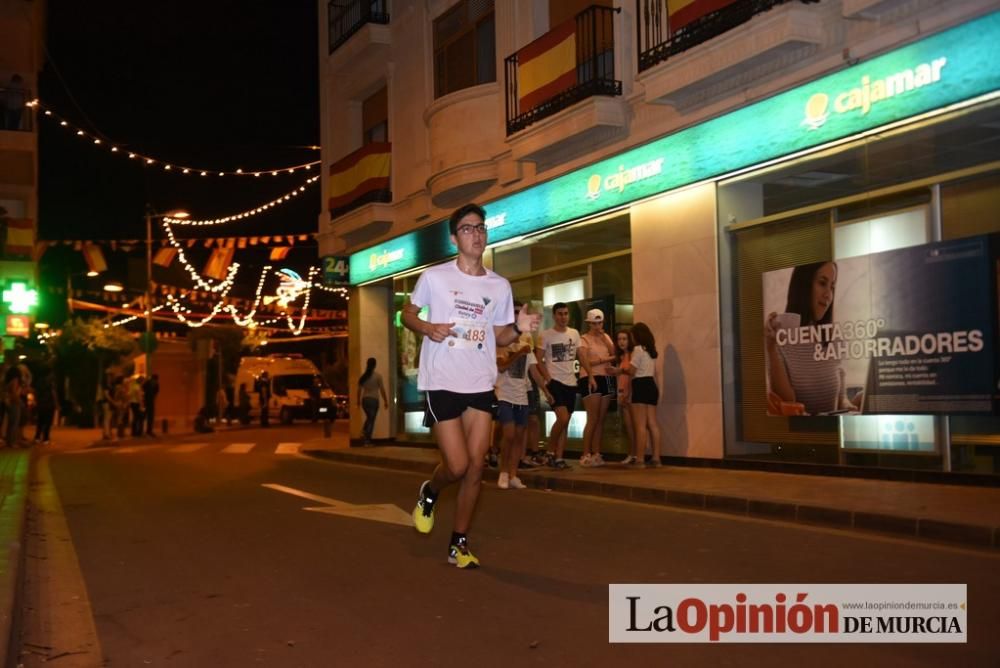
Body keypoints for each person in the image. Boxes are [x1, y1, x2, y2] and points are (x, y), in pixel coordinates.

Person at [402, 202, 539, 569]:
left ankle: (457, 544)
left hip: (479, 381)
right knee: (458, 466)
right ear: (453, 238)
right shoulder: (435, 278)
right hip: (443, 380)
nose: (476, 234)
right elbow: (407, 314)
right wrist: (428, 328)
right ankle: (430, 491)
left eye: (481, 228)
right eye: (467, 229)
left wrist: (519, 329)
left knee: (477, 467)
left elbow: (501, 335)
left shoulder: (499, 285)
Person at [765, 261, 862, 416]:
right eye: (822, 283)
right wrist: (770, 348)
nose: (828, 295)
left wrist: (849, 404)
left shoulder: (834, 338)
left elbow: (841, 399)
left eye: (832, 287)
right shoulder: (779, 335)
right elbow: (787, 402)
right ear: (803, 285)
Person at [494, 301, 545, 489]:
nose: (517, 315)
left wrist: (547, 390)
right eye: (514, 312)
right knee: (508, 435)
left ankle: (513, 474)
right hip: (504, 396)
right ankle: (503, 472)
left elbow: (534, 371)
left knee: (519, 436)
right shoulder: (500, 340)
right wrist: (518, 354)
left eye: (519, 312)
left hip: (522, 396)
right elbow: (501, 366)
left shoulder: (526, 342)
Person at [535, 302, 578, 469]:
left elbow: (581, 354)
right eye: (560, 314)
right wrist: (548, 378)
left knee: (565, 422)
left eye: (566, 313)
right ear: (554, 316)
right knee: (563, 417)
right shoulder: (546, 335)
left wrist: (589, 375)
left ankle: (559, 458)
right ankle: (550, 451)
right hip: (555, 382)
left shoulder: (574, 333)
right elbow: (537, 359)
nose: (563, 317)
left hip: (571, 382)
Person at [577, 308, 617, 467]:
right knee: (592, 417)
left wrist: (604, 339)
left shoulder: (606, 337)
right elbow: (585, 361)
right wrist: (602, 361)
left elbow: (615, 355)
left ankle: (596, 453)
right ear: (589, 323)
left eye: (599, 322)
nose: (597, 326)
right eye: (594, 323)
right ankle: (585, 453)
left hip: (606, 377)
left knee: (601, 418)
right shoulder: (583, 339)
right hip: (590, 377)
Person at [626, 322, 662, 468]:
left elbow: (632, 371)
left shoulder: (637, 349)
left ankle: (640, 459)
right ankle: (656, 458)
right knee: (652, 424)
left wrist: (619, 371)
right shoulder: (651, 350)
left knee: (640, 425)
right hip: (651, 385)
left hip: (640, 385)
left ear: (636, 336)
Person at [614, 328, 639, 466]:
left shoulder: (631, 355)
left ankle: (634, 454)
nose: (621, 342)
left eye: (624, 339)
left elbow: (631, 375)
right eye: (619, 339)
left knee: (633, 426)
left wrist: (626, 393)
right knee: (629, 427)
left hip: (630, 394)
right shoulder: (622, 357)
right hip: (623, 393)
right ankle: (632, 454)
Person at [357, 358, 388, 445]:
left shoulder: (363, 377)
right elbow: (382, 389)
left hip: (365, 400)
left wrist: (358, 401)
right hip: (374, 400)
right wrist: (385, 401)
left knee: (369, 418)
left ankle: (363, 431)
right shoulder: (378, 376)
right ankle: (367, 440)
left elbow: (359, 390)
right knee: (371, 420)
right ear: (375, 365)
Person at [33, 371, 58, 445]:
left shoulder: (39, 382)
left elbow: (35, 392)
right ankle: (45, 438)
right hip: (49, 404)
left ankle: (37, 437)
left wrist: (37, 401)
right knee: (48, 422)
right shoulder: (51, 382)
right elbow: (53, 393)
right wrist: (56, 404)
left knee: (40, 421)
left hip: (41, 404)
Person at [3, 366, 22, 447]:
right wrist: (18, 401)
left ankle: (9, 441)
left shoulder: (8, 381)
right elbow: (14, 392)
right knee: (14, 423)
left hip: (8, 402)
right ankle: (12, 442)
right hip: (14, 402)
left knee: (10, 423)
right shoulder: (15, 380)